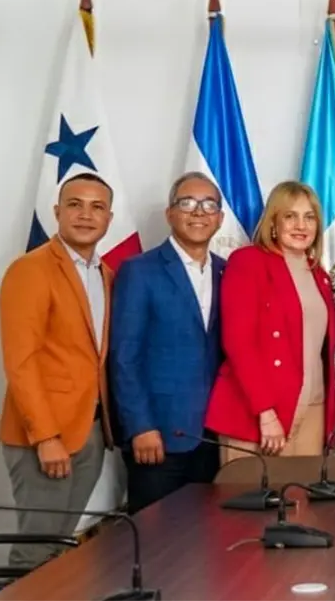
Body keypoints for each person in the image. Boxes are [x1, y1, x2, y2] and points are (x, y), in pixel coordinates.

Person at [0, 172, 116, 568]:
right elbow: (21, 361)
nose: (85, 215)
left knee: (58, 549)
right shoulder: (31, 270)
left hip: (90, 431)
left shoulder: (106, 274)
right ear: (57, 211)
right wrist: (46, 436)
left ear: (109, 218)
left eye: (97, 207)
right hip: (44, 436)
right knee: (34, 551)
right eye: (75, 204)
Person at [109, 172, 226, 512]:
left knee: (209, 535)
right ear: (170, 213)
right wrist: (140, 426)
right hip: (157, 435)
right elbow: (124, 357)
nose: (199, 212)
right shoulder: (139, 270)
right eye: (187, 203)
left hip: (213, 436)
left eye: (209, 205)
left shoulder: (227, 271)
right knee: (155, 536)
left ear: (220, 218)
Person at [204, 181, 335, 461]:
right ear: (273, 223)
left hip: (314, 407)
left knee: (304, 489)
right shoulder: (248, 262)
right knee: (249, 489)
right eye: (290, 216)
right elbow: (238, 342)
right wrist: (265, 412)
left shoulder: (319, 275)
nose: (301, 225)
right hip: (258, 411)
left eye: (309, 217)